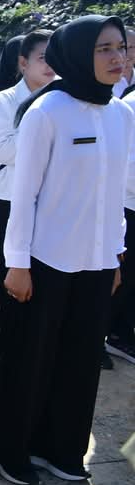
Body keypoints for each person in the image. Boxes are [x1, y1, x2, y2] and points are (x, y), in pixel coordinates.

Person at [0, 15, 132, 485]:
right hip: (44, 260)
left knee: (81, 360)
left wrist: (114, 255)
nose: (117, 58)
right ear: (78, 55)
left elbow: (115, 193)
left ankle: (62, 449)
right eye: (104, 48)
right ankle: (12, 449)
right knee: (30, 359)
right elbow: (24, 193)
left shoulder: (121, 114)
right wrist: (17, 264)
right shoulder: (48, 111)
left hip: (94, 262)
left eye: (121, 47)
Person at [0, 31, 54, 377]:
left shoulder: (58, 102)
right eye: (44, 58)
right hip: (3, 200)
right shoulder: (2, 101)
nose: (51, 66)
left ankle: (10, 341)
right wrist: (45, 135)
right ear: (23, 62)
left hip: (40, 202)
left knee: (27, 277)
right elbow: (2, 150)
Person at [109, 29, 135, 367]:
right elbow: (124, 163)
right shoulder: (127, 104)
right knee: (124, 277)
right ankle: (113, 332)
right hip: (128, 201)